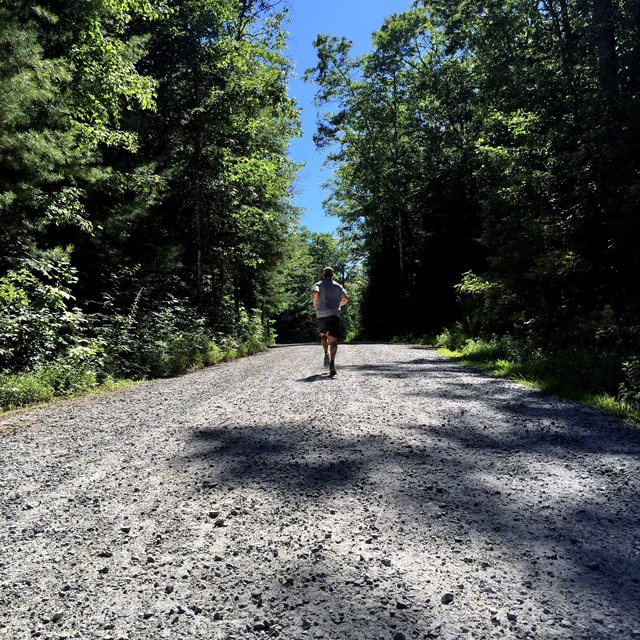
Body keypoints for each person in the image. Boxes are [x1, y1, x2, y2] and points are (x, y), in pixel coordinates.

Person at [312, 266, 349, 378]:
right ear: (332, 275)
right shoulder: (338, 286)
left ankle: (325, 354)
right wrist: (338, 306)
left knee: (323, 335)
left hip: (321, 315)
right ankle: (332, 363)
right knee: (333, 340)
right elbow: (346, 298)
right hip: (334, 315)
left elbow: (315, 292)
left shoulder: (318, 284)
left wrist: (315, 303)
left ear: (323, 275)